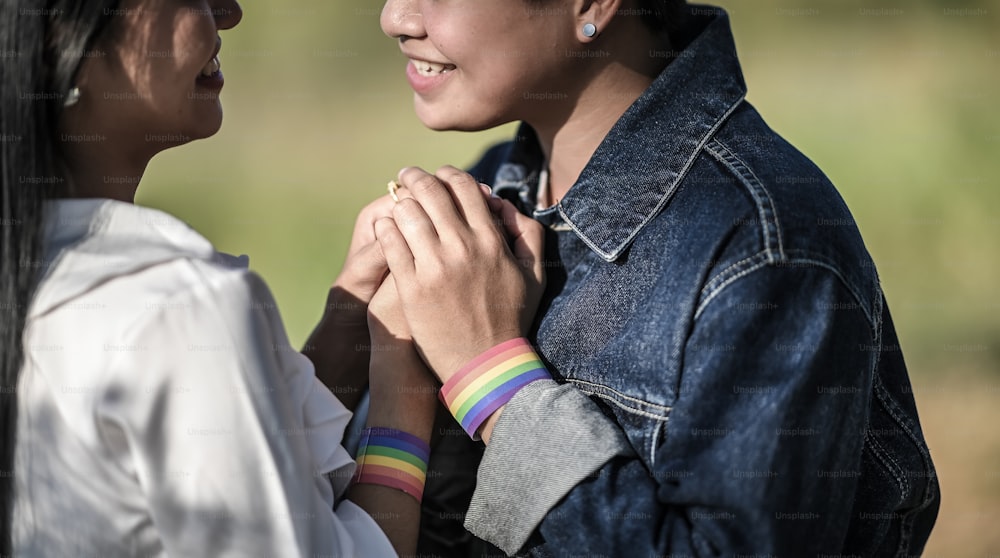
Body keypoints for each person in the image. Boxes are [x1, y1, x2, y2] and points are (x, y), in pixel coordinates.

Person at [2, 0, 616, 555]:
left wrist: (348, 324)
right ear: (63, 40)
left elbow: (239, 468)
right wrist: (404, 377)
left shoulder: (45, 275)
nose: (229, 10)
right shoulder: (181, 307)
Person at [377, 0, 941, 556]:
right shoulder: (486, 194)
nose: (395, 19)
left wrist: (492, 378)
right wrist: (353, 325)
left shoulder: (762, 245)